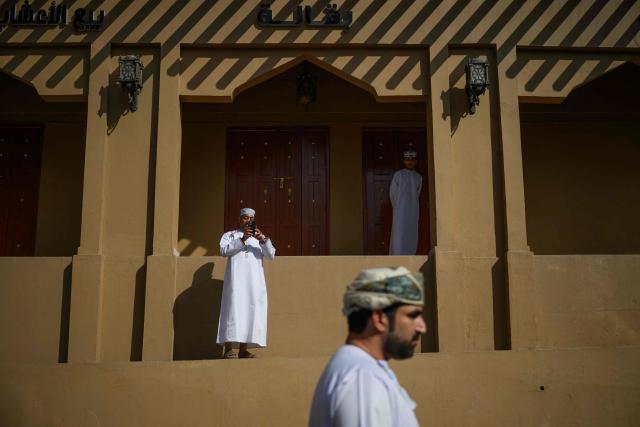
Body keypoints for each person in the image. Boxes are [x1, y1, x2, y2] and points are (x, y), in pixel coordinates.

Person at [309, 266, 426, 427]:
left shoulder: (361, 370)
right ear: (379, 318)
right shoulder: (363, 380)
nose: (422, 327)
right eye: (412, 315)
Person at [216, 207, 276, 359]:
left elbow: (271, 255)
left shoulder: (258, 239)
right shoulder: (230, 235)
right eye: (245, 218)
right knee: (232, 312)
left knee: (250, 313)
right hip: (235, 284)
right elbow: (223, 251)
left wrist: (262, 239)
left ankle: (243, 350)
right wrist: (243, 240)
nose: (248, 220)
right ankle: (228, 349)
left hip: (254, 285)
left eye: (251, 218)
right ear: (240, 219)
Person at [389, 150, 422, 255]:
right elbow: (392, 193)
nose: (410, 162)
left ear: (415, 161)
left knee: (411, 231)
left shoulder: (418, 177)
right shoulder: (398, 175)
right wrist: (397, 207)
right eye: (407, 160)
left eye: (412, 160)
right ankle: (397, 255)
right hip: (400, 209)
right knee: (399, 232)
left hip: (413, 209)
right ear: (404, 161)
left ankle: (411, 254)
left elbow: (418, 192)